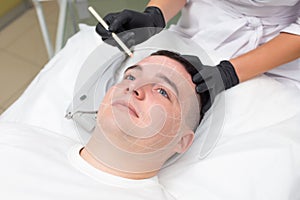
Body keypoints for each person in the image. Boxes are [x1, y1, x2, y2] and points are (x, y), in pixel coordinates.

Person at [0, 50, 201, 199]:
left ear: (182, 141)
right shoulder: (12, 138)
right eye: (131, 76)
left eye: (162, 91)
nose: (134, 88)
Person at [96, 0, 300, 114]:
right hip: (202, 23)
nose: (136, 92)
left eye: (162, 92)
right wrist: (154, 16)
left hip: (275, 49)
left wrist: (229, 73)